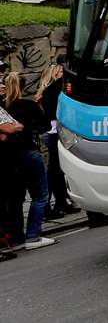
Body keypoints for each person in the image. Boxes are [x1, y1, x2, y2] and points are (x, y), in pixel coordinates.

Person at [5, 72, 57, 250]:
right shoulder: (28, 105)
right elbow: (46, 126)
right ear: (24, 85)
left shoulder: (4, 106)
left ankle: (17, 238)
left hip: (11, 156)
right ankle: (33, 235)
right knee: (40, 195)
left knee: (17, 198)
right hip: (29, 151)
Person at [36, 62, 78, 217]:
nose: (63, 74)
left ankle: (60, 201)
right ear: (55, 73)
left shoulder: (47, 91)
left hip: (53, 130)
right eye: (61, 72)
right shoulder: (53, 90)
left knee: (57, 169)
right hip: (55, 131)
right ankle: (54, 203)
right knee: (55, 169)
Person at [0, 98, 23, 261]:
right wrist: (7, 129)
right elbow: (9, 127)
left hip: (7, 163)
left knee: (8, 201)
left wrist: (9, 129)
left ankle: (6, 242)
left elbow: (18, 126)